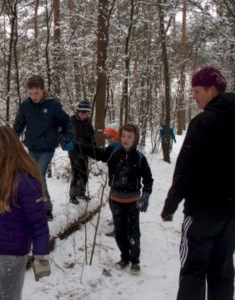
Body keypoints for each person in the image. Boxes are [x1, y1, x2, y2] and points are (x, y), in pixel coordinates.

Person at [161, 66, 235, 300]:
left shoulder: (203, 122)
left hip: (202, 213)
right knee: (222, 271)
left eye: (197, 91)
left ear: (212, 90)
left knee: (193, 271)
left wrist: (170, 206)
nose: (194, 96)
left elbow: (185, 169)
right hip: (230, 215)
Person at [0, 125, 50, 300]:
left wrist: (40, 255)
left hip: (12, 251)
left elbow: (38, 221)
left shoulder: (26, 180)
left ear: (9, 152)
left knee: (8, 297)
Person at [80, 123, 153, 275]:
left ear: (135, 139)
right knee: (119, 233)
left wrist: (146, 194)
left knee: (133, 233)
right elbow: (98, 153)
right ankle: (124, 258)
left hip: (133, 201)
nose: (126, 139)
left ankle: (135, 261)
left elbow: (148, 179)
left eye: (130, 137)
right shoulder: (113, 151)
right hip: (116, 200)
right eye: (124, 136)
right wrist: (78, 145)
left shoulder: (140, 158)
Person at [13, 75, 73, 221]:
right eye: (30, 93)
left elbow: (66, 121)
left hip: (47, 148)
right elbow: (19, 125)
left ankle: (46, 208)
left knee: (38, 174)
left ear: (43, 90)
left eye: (37, 93)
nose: (34, 96)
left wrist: (68, 135)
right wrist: (11, 139)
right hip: (32, 146)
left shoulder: (53, 105)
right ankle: (36, 205)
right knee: (32, 177)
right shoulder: (25, 106)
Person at [68, 100, 97, 204]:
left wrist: (93, 145)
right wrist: (73, 145)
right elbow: (67, 136)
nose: (84, 115)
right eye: (82, 112)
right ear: (78, 111)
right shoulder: (71, 121)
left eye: (86, 113)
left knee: (85, 173)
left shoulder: (87, 121)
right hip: (74, 152)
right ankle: (72, 196)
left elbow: (91, 134)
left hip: (85, 151)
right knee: (76, 174)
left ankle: (81, 193)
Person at [102, 123, 120, 237]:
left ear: (117, 136)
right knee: (113, 202)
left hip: (120, 182)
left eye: (110, 137)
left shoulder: (118, 148)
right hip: (115, 180)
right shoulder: (112, 146)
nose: (108, 139)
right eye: (106, 137)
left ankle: (119, 229)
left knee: (115, 204)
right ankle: (116, 221)